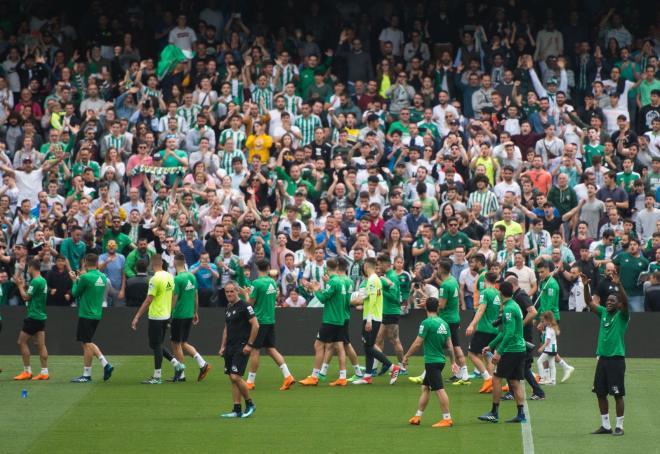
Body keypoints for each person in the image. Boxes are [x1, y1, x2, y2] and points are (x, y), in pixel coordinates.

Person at [582, 272, 628, 436]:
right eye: (607, 300)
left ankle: (620, 427)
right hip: (602, 360)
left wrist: (619, 285)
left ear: (618, 304)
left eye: (612, 301)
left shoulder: (623, 316)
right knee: (600, 393)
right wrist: (585, 286)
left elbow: (626, 302)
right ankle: (606, 426)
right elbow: (588, 302)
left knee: (617, 394)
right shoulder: (603, 313)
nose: (608, 303)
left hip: (616, 360)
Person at [403, 297, 458, 428]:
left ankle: (447, 418)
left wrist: (406, 356)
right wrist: (453, 362)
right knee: (425, 387)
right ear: (437, 307)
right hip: (440, 361)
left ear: (426, 308)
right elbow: (449, 345)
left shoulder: (426, 323)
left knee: (439, 390)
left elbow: (417, 343)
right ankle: (417, 416)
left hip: (432, 362)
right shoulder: (444, 323)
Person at [130, 254, 185, 384]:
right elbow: (173, 296)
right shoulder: (170, 276)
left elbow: (149, 299)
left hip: (156, 316)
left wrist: (136, 317)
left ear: (151, 264)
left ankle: (157, 376)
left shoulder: (155, 279)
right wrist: (170, 312)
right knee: (156, 344)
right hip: (165, 315)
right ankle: (177, 364)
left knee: (156, 345)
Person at [478, 281, 528, 423]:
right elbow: (504, 331)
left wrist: (498, 351)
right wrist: (491, 345)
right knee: (514, 381)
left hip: (512, 350)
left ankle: (494, 412)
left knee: (496, 378)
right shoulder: (514, 306)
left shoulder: (508, 309)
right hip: (519, 349)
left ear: (500, 294)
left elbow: (509, 333)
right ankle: (521, 414)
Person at [244, 259, 295, 391]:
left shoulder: (256, 283)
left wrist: (246, 294)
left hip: (259, 321)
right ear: (268, 268)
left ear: (256, 267)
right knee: (271, 349)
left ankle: (250, 381)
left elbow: (250, 303)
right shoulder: (272, 282)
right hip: (270, 320)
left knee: (255, 350)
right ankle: (288, 376)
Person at [299, 258, 350, 386]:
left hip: (330, 320)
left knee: (318, 345)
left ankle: (314, 376)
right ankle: (342, 377)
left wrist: (316, 288)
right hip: (340, 319)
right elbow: (333, 297)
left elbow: (322, 299)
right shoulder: (341, 281)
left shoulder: (333, 283)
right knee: (339, 347)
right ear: (337, 267)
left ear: (327, 269)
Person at [350, 257, 399, 384]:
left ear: (366, 266)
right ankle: (367, 376)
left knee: (369, 347)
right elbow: (371, 297)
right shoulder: (376, 279)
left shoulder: (372, 280)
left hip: (371, 317)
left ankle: (393, 367)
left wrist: (369, 320)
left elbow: (372, 300)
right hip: (374, 316)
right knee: (368, 346)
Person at [69, 254, 114, 383]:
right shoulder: (103, 277)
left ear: (85, 262)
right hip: (97, 313)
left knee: (87, 343)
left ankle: (101, 366)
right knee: (86, 343)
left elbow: (75, 293)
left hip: (86, 314)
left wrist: (74, 280)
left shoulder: (85, 277)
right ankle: (91, 371)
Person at [219, 280, 259, 419]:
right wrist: (223, 346)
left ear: (237, 291)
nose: (229, 293)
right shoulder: (228, 307)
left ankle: (250, 404)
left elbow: (256, 325)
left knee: (236, 376)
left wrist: (249, 344)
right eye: (227, 291)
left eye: (232, 291)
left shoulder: (245, 306)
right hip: (229, 347)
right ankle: (237, 409)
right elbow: (226, 328)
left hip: (241, 346)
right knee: (232, 378)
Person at [171, 254, 211, 382]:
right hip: (189, 314)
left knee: (176, 343)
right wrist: (195, 312)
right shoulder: (192, 277)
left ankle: (181, 374)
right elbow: (196, 296)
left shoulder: (177, 279)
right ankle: (202, 363)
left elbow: (174, 298)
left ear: (174, 263)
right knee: (183, 343)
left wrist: (169, 312)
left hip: (179, 315)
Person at [536, 260, 575, 382]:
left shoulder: (552, 284)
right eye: (539, 272)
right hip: (544, 318)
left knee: (547, 348)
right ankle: (553, 373)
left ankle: (550, 375)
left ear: (548, 270)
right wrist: (537, 317)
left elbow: (550, 305)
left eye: (542, 272)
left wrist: (543, 321)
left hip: (551, 319)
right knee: (548, 349)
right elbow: (543, 303)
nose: (540, 274)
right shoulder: (544, 282)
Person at [13, 259, 49, 381]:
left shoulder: (35, 281)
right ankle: (44, 372)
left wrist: (19, 286)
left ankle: (27, 371)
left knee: (21, 342)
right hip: (41, 316)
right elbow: (34, 294)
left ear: (32, 268)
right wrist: (25, 287)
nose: (28, 270)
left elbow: (26, 297)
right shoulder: (43, 280)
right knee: (41, 345)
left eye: (28, 268)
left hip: (33, 316)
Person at [465, 271, 500, 393]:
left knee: (471, 353)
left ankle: (487, 378)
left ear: (485, 279)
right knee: (487, 355)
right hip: (494, 329)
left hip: (484, 329)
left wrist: (472, 324)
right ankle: (491, 384)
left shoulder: (485, 293)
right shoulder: (497, 293)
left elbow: (480, 310)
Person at [375, 254, 406, 375]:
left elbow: (395, 298)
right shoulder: (387, 276)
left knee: (395, 340)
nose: (378, 267)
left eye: (379, 264)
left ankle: (402, 367)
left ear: (386, 264)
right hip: (385, 312)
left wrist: (381, 291)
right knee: (378, 340)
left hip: (392, 312)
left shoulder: (392, 277)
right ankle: (384, 364)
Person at [536, 311, 560, 385]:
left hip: (549, 349)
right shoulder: (553, 327)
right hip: (553, 349)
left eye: (543, 321)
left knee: (539, 361)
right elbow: (557, 333)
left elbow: (547, 341)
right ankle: (553, 380)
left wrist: (542, 348)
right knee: (552, 364)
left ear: (547, 320)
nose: (542, 323)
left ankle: (542, 378)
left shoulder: (549, 328)